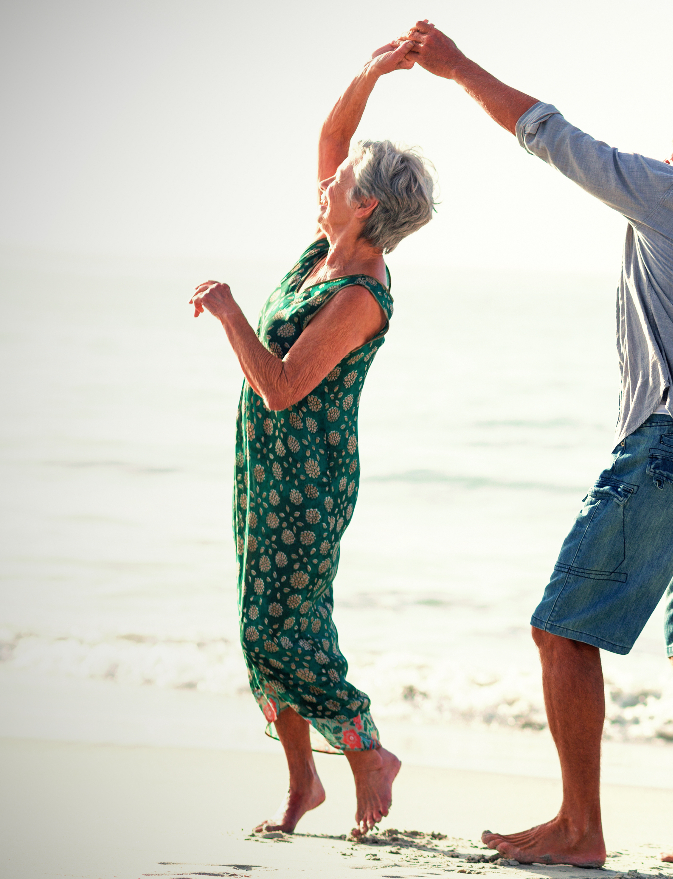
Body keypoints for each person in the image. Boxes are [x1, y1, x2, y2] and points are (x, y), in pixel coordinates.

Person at [405, 20, 673, 872]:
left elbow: (553, 137)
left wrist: (455, 66)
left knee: (561, 630)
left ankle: (579, 826)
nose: (668, 148)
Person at [189, 37, 435, 838]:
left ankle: (366, 749)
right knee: (260, 619)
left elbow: (285, 386)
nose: (325, 180)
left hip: (308, 474)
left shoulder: (362, 290)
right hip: (264, 463)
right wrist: (370, 73)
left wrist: (229, 313)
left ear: (365, 205)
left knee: (279, 626)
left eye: (341, 182)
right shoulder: (323, 252)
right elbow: (333, 143)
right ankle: (303, 784)